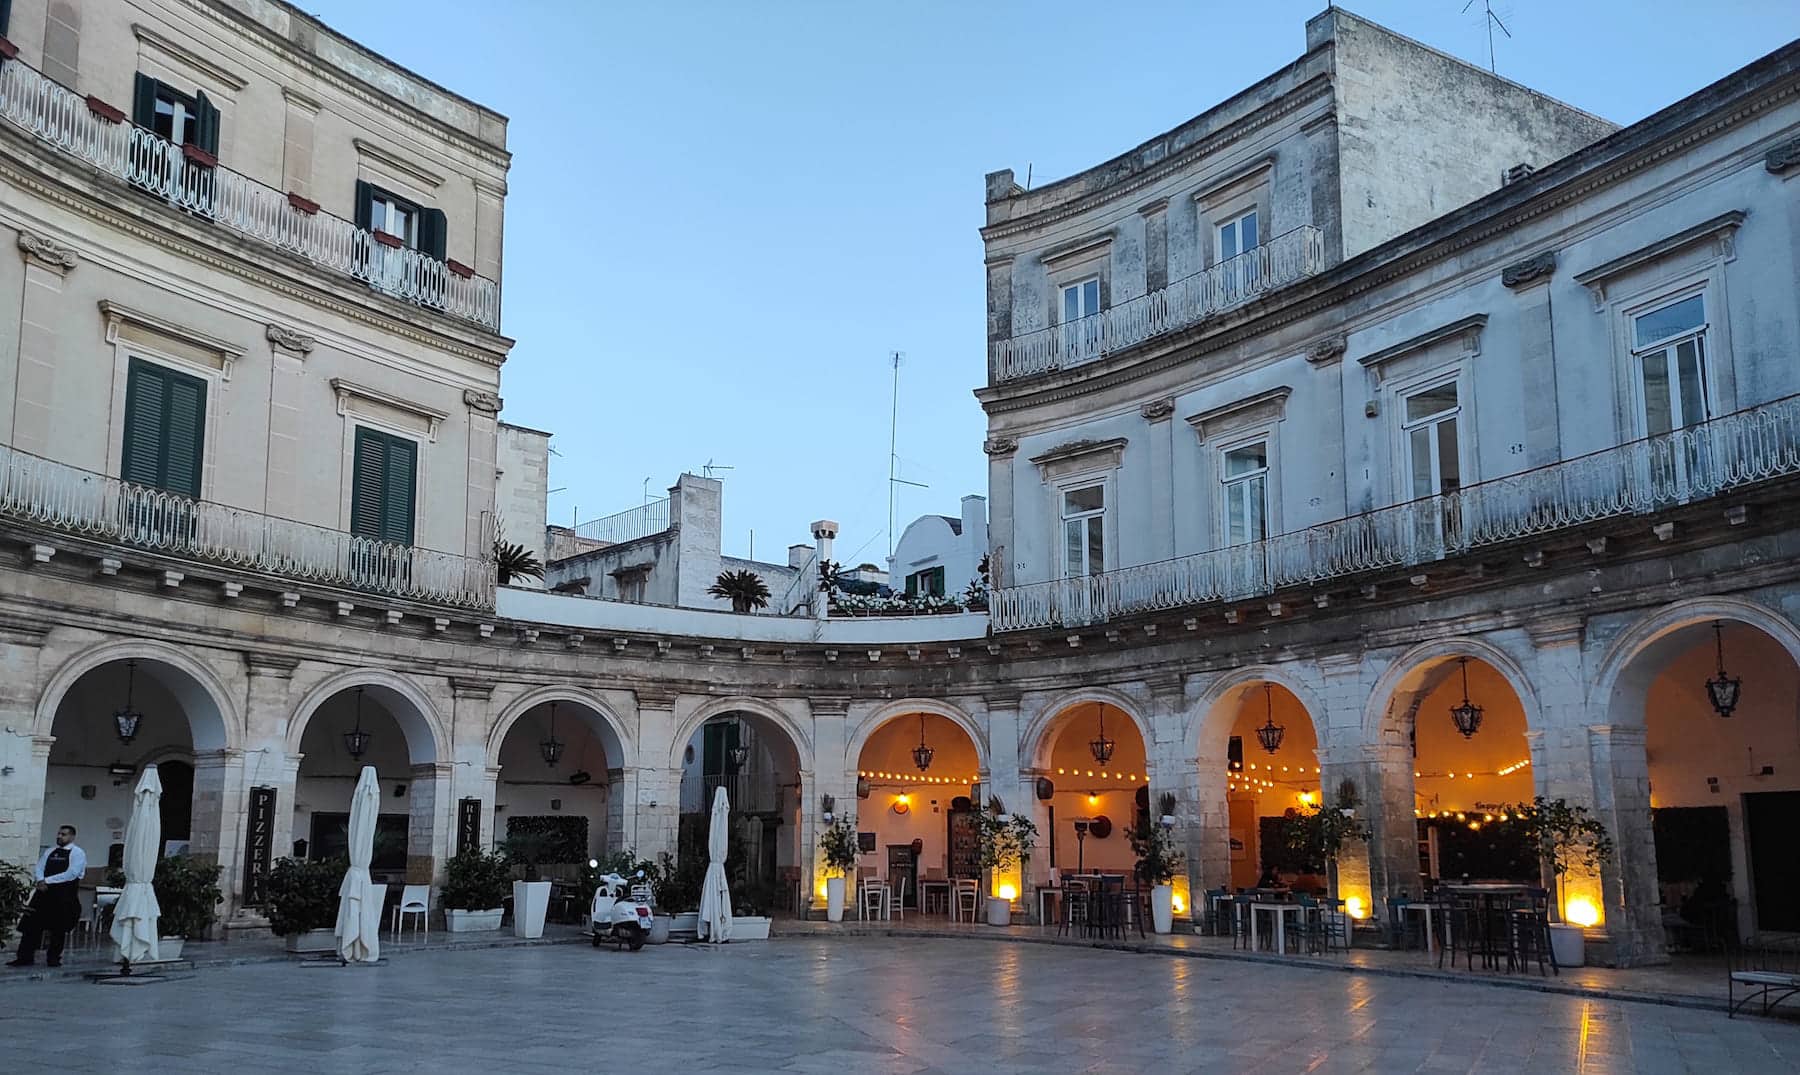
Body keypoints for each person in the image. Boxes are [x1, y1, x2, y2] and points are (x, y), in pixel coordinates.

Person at [8, 825, 87, 968]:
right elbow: (39, 867)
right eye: (59, 834)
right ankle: (24, 957)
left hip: (64, 895)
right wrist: (39, 880)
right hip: (43, 893)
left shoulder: (77, 853)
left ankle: (53, 958)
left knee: (58, 928)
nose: (59, 837)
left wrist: (47, 881)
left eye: (63, 834)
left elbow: (72, 873)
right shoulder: (50, 851)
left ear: (72, 837)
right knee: (31, 926)